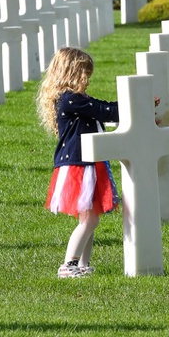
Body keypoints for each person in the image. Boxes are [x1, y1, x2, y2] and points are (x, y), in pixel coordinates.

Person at [36, 47, 120, 279]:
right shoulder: (71, 100)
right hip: (79, 166)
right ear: (73, 73)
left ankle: (82, 265)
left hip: (87, 163)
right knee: (90, 218)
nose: (88, 80)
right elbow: (104, 110)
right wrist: (135, 106)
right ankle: (68, 264)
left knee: (89, 217)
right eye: (86, 74)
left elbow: (101, 108)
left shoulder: (72, 99)